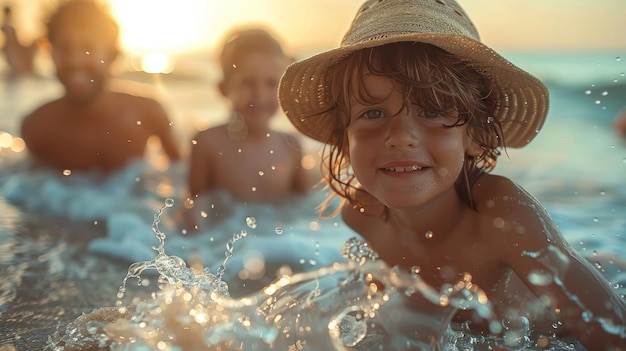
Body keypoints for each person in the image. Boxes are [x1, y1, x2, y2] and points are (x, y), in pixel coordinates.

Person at [277, 0, 626, 349]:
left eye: (431, 110)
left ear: (476, 135)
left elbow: (613, 333)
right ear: (343, 137)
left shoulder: (500, 214)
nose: (400, 137)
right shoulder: (362, 215)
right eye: (372, 113)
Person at [20, 0, 181, 173]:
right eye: (65, 48)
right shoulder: (37, 126)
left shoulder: (147, 113)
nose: (76, 60)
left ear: (112, 54)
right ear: (51, 55)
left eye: (87, 48)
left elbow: (181, 178)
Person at [184, 26, 311, 230]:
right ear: (224, 89)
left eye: (271, 84)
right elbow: (193, 210)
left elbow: (304, 211)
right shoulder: (207, 143)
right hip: (224, 248)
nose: (259, 95)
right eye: (247, 83)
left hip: (282, 243)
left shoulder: (291, 146)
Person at [1, 5, 37, 76]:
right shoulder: (5, 26)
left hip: (14, 49)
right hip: (11, 51)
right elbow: (9, 42)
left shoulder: (10, 26)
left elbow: (16, 41)